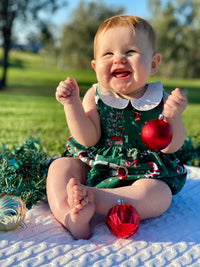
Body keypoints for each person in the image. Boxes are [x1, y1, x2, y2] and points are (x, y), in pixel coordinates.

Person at [46, 15, 187, 240]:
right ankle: (72, 218)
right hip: (97, 163)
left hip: (143, 173)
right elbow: (88, 139)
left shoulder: (160, 99)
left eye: (130, 51)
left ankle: (92, 197)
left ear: (153, 63)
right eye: (108, 53)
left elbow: (172, 146)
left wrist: (174, 117)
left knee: (160, 195)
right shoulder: (96, 95)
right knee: (60, 167)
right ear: (95, 66)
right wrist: (71, 104)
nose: (119, 58)